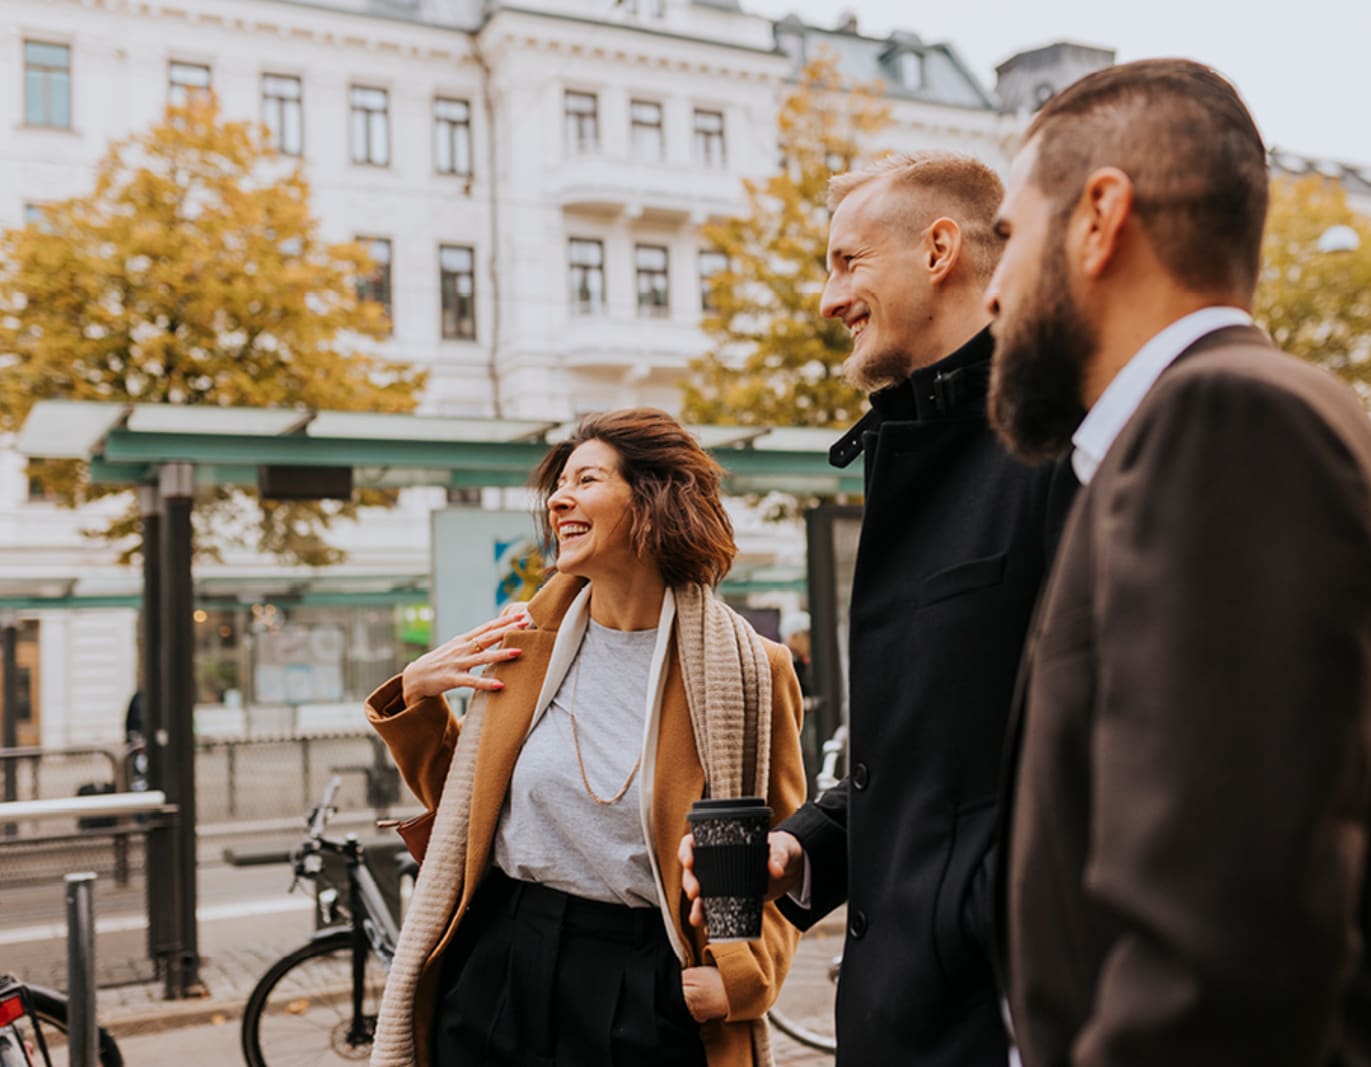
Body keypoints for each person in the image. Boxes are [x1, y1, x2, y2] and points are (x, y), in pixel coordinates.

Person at [984, 59, 1371, 1065]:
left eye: (1008, 236)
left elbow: (1218, 962)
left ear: (1098, 218)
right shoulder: (1250, 420)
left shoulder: (1227, 425)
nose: (991, 290)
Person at [685, 153, 1078, 1066]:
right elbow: (941, 753)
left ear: (941, 248)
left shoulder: (1065, 443)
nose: (829, 299)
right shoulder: (918, 444)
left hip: (996, 1022)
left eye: (847, 262)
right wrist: (803, 846)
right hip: (907, 1020)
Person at [365, 408, 807, 1067]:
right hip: (502, 959)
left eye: (588, 479)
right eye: (559, 484)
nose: (559, 499)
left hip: (642, 975)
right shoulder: (522, 644)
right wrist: (420, 702)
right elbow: (479, 812)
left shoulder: (747, 668)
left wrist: (744, 979)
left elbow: (781, 854)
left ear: (657, 499)